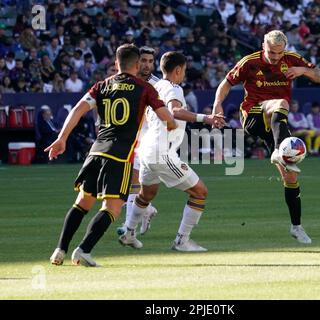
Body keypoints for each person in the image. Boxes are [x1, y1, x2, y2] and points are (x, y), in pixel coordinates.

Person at [48, 44, 176, 267]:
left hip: (96, 151)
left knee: (82, 203)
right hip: (120, 156)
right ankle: (83, 250)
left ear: (116, 63)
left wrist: (61, 138)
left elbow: (78, 109)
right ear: (137, 65)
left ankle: (60, 249)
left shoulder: (102, 85)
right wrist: (173, 124)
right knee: (112, 208)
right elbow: (167, 117)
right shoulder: (145, 88)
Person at [212, 30, 320, 244]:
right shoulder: (250, 62)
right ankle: (278, 151)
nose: (275, 57)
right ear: (263, 45)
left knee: (291, 178)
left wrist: (302, 70)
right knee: (282, 103)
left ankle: (296, 226)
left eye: (279, 53)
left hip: (276, 124)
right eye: (271, 52)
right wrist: (217, 105)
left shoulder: (292, 59)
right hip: (253, 116)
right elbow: (226, 83)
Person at [118, 51, 225, 251]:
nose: (183, 74)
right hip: (161, 153)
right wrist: (207, 118)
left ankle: (129, 233)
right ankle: (182, 241)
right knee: (200, 192)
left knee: (146, 195)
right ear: (178, 70)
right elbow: (175, 111)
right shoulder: (174, 88)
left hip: (147, 151)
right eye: (183, 70)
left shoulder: (155, 86)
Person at [116, 46, 160, 237]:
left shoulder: (158, 85)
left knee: (134, 181)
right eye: (144, 60)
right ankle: (146, 209)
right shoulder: (125, 82)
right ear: (136, 61)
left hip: (148, 140)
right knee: (133, 183)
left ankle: (128, 227)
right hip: (128, 137)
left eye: (151, 61)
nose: (147, 65)